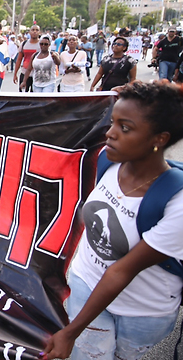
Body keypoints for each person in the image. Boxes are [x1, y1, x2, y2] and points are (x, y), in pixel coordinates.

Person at [41, 80, 183, 360]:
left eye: (125, 128)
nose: (110, 133)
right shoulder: (107, 161)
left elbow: (121, 271)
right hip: (86, 284)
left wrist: (70, 333)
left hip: (143, 310)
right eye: (112, 121)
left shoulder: (176, 200)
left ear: (160, 139)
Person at [14, 24, 41, 92]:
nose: (35, 32)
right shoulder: (24, 44)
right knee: (22, 95)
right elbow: (19, 60)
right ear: (29, 32)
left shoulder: (42, 45)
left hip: (37, 75)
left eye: (37, 30)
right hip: (24, 73)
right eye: (33, 30)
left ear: (39, 32)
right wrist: (15, 74)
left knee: (34, 96)